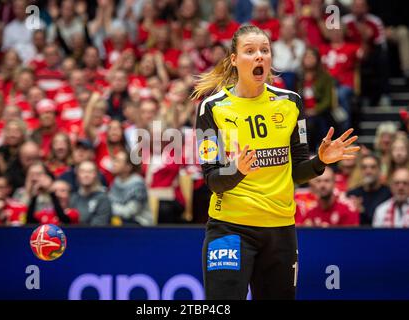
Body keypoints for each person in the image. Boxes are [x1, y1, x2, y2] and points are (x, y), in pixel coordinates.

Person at [192, 25, 360, 300]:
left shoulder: (290, 103)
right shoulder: (212, 108)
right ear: (233, 59)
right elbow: (212, 180)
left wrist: (321, 161)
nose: (259, 56)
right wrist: (238, 170)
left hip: (280, 230)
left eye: (264, 50)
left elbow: (296, 171)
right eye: (250, 51)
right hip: (230, 228)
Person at [108, 149, 153, 226]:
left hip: (139, 223)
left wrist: (108, 208)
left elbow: (129, 212)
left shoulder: (137, 183)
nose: (114, 164)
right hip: (120, 220)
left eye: (118, 161)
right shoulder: (116, 181)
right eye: (114, 160)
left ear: (128, 167)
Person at [347, 155, 392, 225]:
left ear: (380, 170)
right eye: (364, 167)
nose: (368, 171)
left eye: (373, 167)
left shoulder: (388, 194)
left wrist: (362, 210)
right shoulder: (353, 194)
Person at [70, 160, 112, 226]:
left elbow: (99, 225)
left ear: (96, 174)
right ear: (78, 175)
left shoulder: (103, 198)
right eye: (82, 171)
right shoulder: (74, 197)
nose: (86, 175)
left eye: (90, 172)